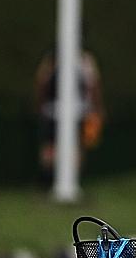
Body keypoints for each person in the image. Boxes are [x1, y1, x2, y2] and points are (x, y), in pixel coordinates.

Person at [36, 47, 104, 177]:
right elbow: (41, 83)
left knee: (73, 149)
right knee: (52, 148)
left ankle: (65, 180)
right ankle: (51, 180)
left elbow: (94, 86)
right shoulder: (53, 59)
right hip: (55, 112)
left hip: (76, 112)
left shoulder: (84, 60)